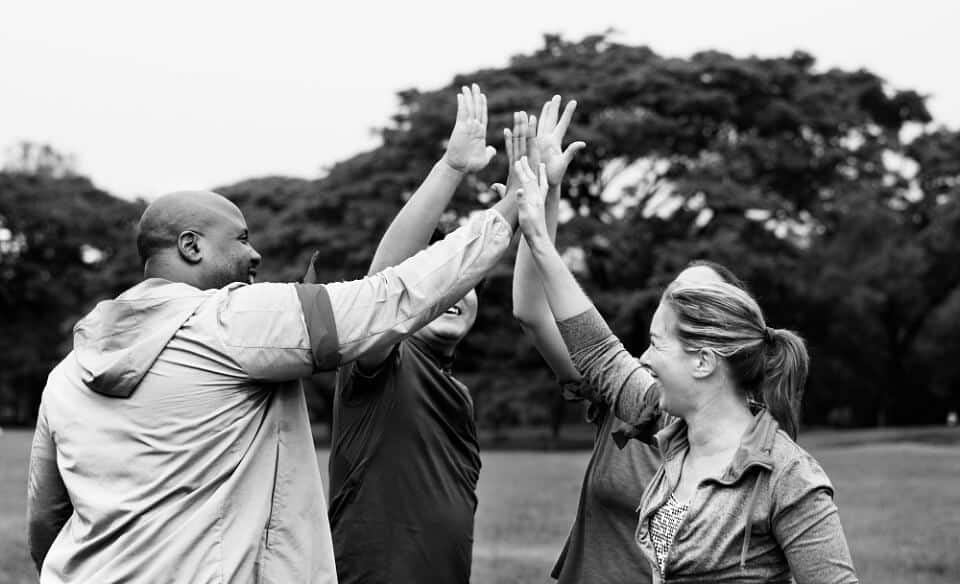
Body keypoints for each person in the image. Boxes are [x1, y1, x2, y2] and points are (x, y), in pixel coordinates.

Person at [26, 86, 520, 582]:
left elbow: (46, 520)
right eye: (241, 239)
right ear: (191, 247)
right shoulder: (233, 321)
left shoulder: (66, 375)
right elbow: (389, 296)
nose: (255, 254)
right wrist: (511, 208)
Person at [511, 156, 859, 583]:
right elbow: (598, 350)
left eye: (658, 344)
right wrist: (538, 239)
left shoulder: (788, 479)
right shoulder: (671, 428)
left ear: (703, 360)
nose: (644, 358)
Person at [511, 97, 751, 583]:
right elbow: (532, 312)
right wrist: (548, 194)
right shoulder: (627, 389)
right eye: (679, 301)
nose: (688, 314)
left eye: (704, 307)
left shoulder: (753, 443)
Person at [324, 84, 496, 584]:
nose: (456, 294)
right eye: (440, 285)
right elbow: (384, 282)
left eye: (467, 284)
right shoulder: (381, 357)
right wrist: (452, 168)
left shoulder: (456, 392)